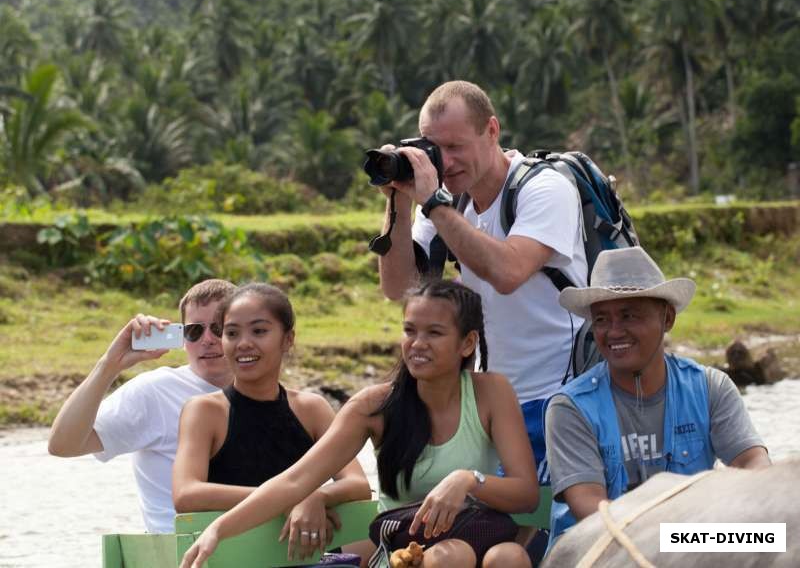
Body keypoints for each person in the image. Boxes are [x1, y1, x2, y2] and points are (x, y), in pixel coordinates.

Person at [179, 280, 539, 568]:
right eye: (410, 330)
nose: (417, 344)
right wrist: (218, 530)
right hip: (404, 551)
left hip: (483, 536)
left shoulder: (491, 392)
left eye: (434, 333)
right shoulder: (374, 405)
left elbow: (526, 494)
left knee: (510, 557)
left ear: (468, 343)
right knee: (451, 556)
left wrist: (465, 481)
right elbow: (295, 480)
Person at [377, 80, 588, 485]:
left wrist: (433, 203)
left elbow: (508, 273)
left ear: (492, 131)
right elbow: (399, 287)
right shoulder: (447, 203)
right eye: (435, 150)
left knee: (547, 533)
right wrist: (400, 203)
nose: (446, 162)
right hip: (491, 403)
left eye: (456, 147)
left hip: (561, 395)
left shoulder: (544, 187)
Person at [545, 247, 771, 546]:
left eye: (628, 316)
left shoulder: (710, 387)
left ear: (667, 319)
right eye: (601, 320)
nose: (614, 332)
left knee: (775, 539)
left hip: (686, 544)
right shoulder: (570, 407)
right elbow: (591, 511)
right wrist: (685, 538)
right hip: (600, 551)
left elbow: (754, 465)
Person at [172, 283, 371, 562]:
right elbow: (187, 493)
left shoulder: (311, 409)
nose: (243, 343)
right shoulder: (205, 411)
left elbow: (357, 484)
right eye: (231, 333)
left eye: (259, 331)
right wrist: (287, 499)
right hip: (233, 557)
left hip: (302, 555)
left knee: (370, 543)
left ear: (288, 339)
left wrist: (317, 497)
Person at [48, 279, 235, 533]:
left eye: (218, 328)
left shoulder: (265, 391)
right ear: (181, 338)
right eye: (194, 331)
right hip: (178, 550)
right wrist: (109, 365)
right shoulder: (155, 390)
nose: (207, 340)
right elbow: (63, 445)